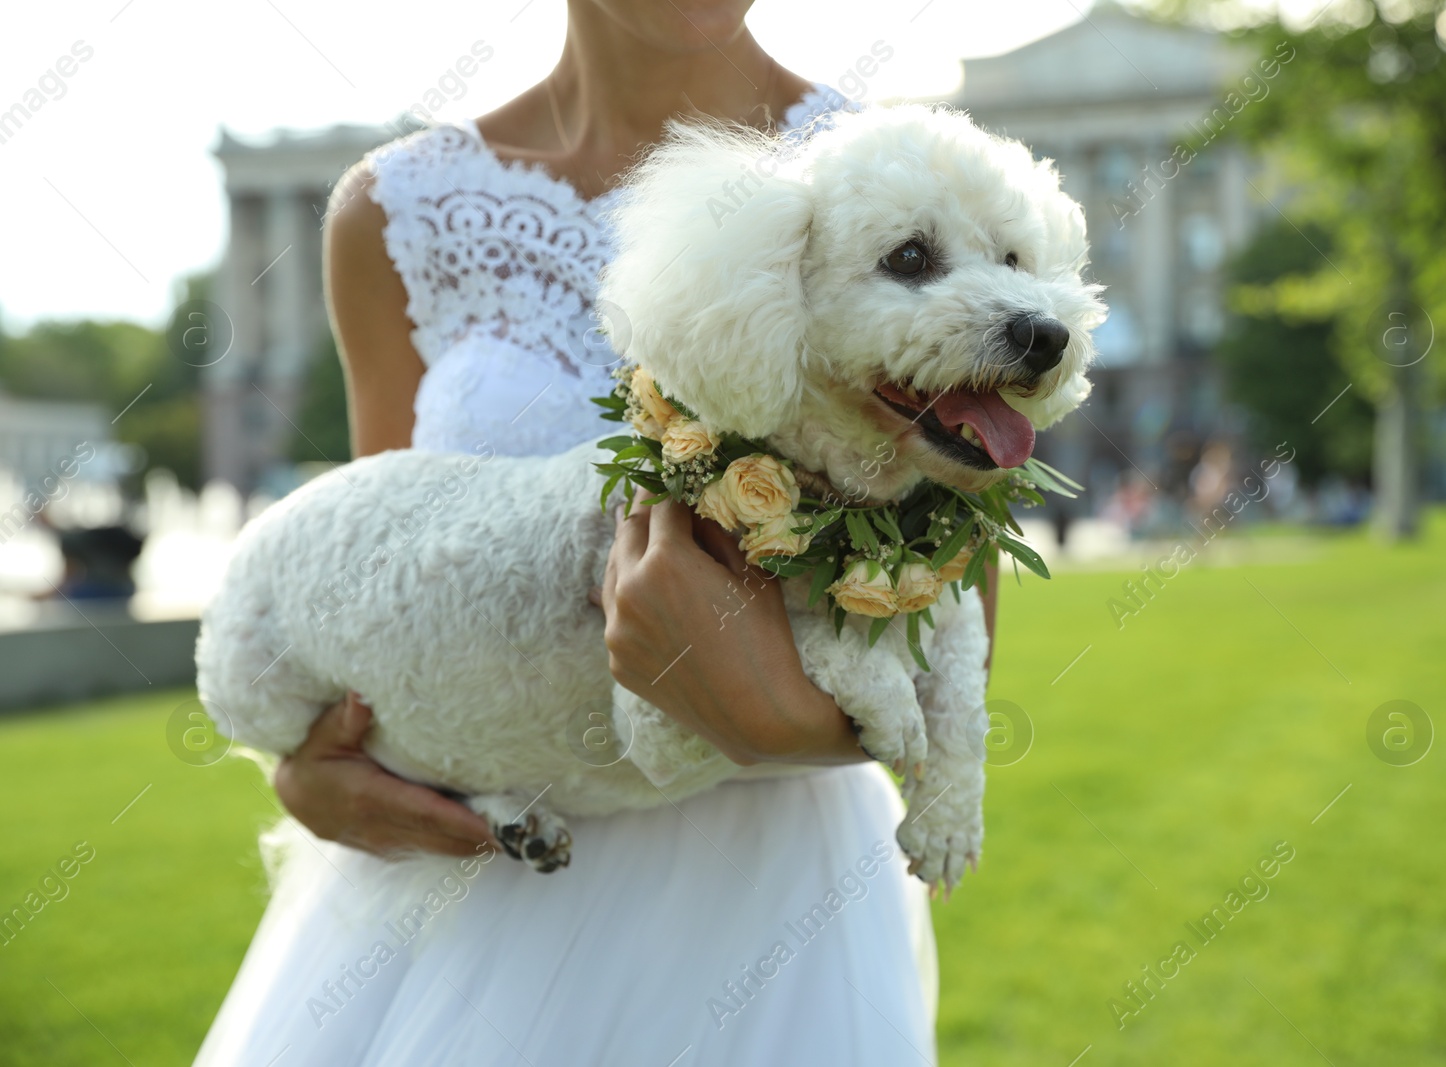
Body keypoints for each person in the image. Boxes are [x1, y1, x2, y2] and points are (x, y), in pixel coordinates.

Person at [197, 2, 992, 1063]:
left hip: (769, 900)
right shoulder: (394, 214)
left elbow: (960, 636)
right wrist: (306, 773)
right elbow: (371, 580)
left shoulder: (905, 179)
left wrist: (765, 715)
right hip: (470, 892)